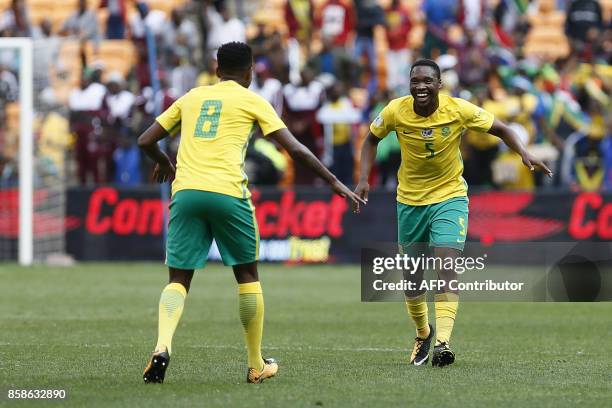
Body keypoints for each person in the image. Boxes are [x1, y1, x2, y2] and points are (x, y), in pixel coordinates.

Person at [138, 42, 364, 384]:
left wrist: (164, 162)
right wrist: (334, 182)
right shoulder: (253, 100)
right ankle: (256, 364)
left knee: (179, 279)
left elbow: (145, 140)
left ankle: (162, 346)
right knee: (247, 277)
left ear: (216, 70)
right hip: (228, 194)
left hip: (185, 193)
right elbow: (296, 149)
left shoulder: (191, 97)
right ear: (250, 71)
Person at [354, 59, 551, 367]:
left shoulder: (459, 109)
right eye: (415, 80)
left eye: (427, 81)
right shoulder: (395, 110)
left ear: (439, 85)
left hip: (450, 196)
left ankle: (443, 343)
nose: (420, 86)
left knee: (447, 265)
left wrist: (524, 152)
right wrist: (364, 177)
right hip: (410, 201)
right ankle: (424, 332)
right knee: (413, 278)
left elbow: (500, 128)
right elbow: (370, 140)